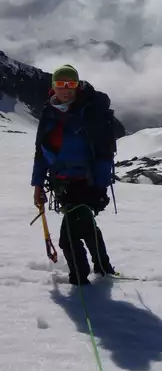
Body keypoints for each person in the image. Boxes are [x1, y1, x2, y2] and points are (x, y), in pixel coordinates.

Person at [31, 64, 116, 285]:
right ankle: (103, 267)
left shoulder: (88, 113)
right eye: (60, 84)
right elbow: (40, 152)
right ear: (53, 86)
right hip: (60, 183)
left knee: (68, 237)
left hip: (85, 183)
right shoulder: (49, 112)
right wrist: (38, 185)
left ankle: (79, 278)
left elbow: (104, 155)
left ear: (77, 85)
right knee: (86, 227)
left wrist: (99, 187)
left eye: (71, 84)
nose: (66, 89)